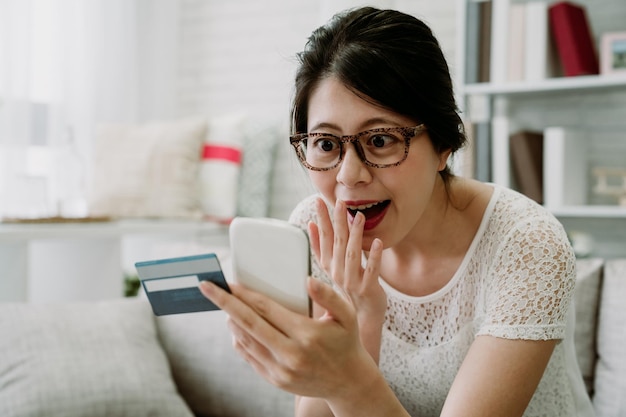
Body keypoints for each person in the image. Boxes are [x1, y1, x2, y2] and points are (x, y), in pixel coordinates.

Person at [199, 6, 594, 417]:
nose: (348, 177)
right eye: (327, 144)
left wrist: (345, 375)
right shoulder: (314, 230)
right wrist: (360, 322)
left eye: (382, 140)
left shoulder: (527, 244)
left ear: (444, 145)